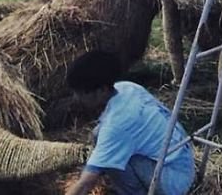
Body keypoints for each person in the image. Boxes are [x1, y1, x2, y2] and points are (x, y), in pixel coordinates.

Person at [65, 51, 196, 195]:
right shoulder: (126, 88)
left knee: (112, 161)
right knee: (99, 135)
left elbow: (85, 184)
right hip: (183, 162)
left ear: (102, 90)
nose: (76, 98)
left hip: (173, 181)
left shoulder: (117, 125)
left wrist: (93, 170)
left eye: (81, 93)